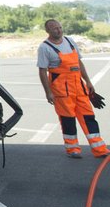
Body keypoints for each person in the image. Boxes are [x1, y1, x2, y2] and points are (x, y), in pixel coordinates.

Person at [37, 19, 107, 158]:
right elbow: (42, 71)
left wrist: (88, 82)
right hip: (62, 91)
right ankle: (72, 149)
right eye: (54, 28)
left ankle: (99, 149)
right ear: (48, 31)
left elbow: (78, 63)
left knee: (89, 117)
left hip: (79, 88)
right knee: (68, 119)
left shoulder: (70, 41)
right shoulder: (44, 48)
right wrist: (48, 92)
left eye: (60, 27)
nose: (58, 30)